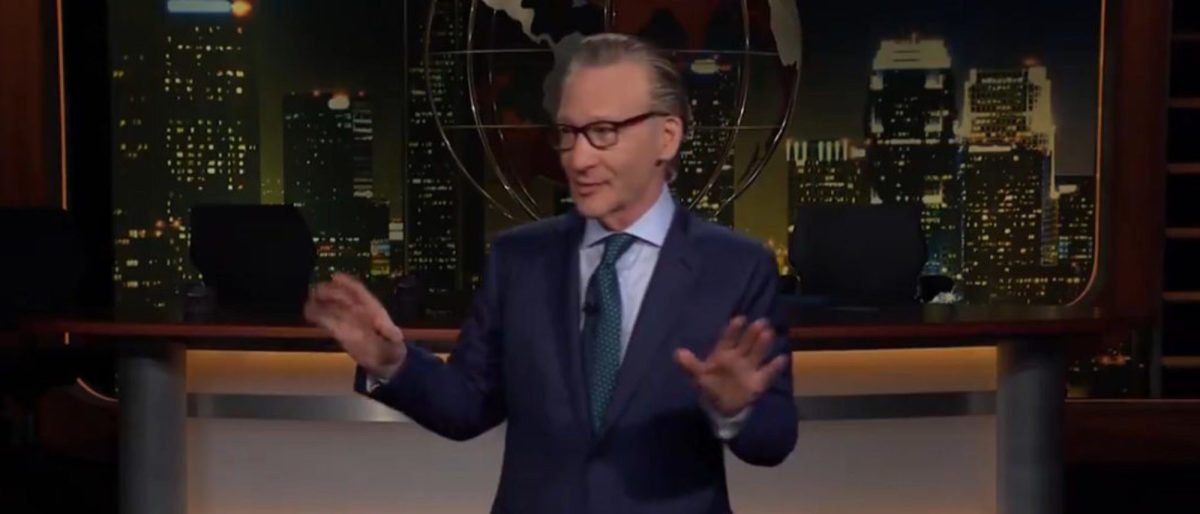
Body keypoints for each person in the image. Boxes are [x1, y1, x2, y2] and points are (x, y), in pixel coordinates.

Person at [304, 33, 797, 514]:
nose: (578, 159)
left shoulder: (736, 266)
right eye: (568, 133)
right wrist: (392, 362)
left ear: (666, 136)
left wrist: (735, 409)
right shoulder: (519, 258)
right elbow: (467, 405)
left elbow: (774, 439)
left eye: (603, 132)